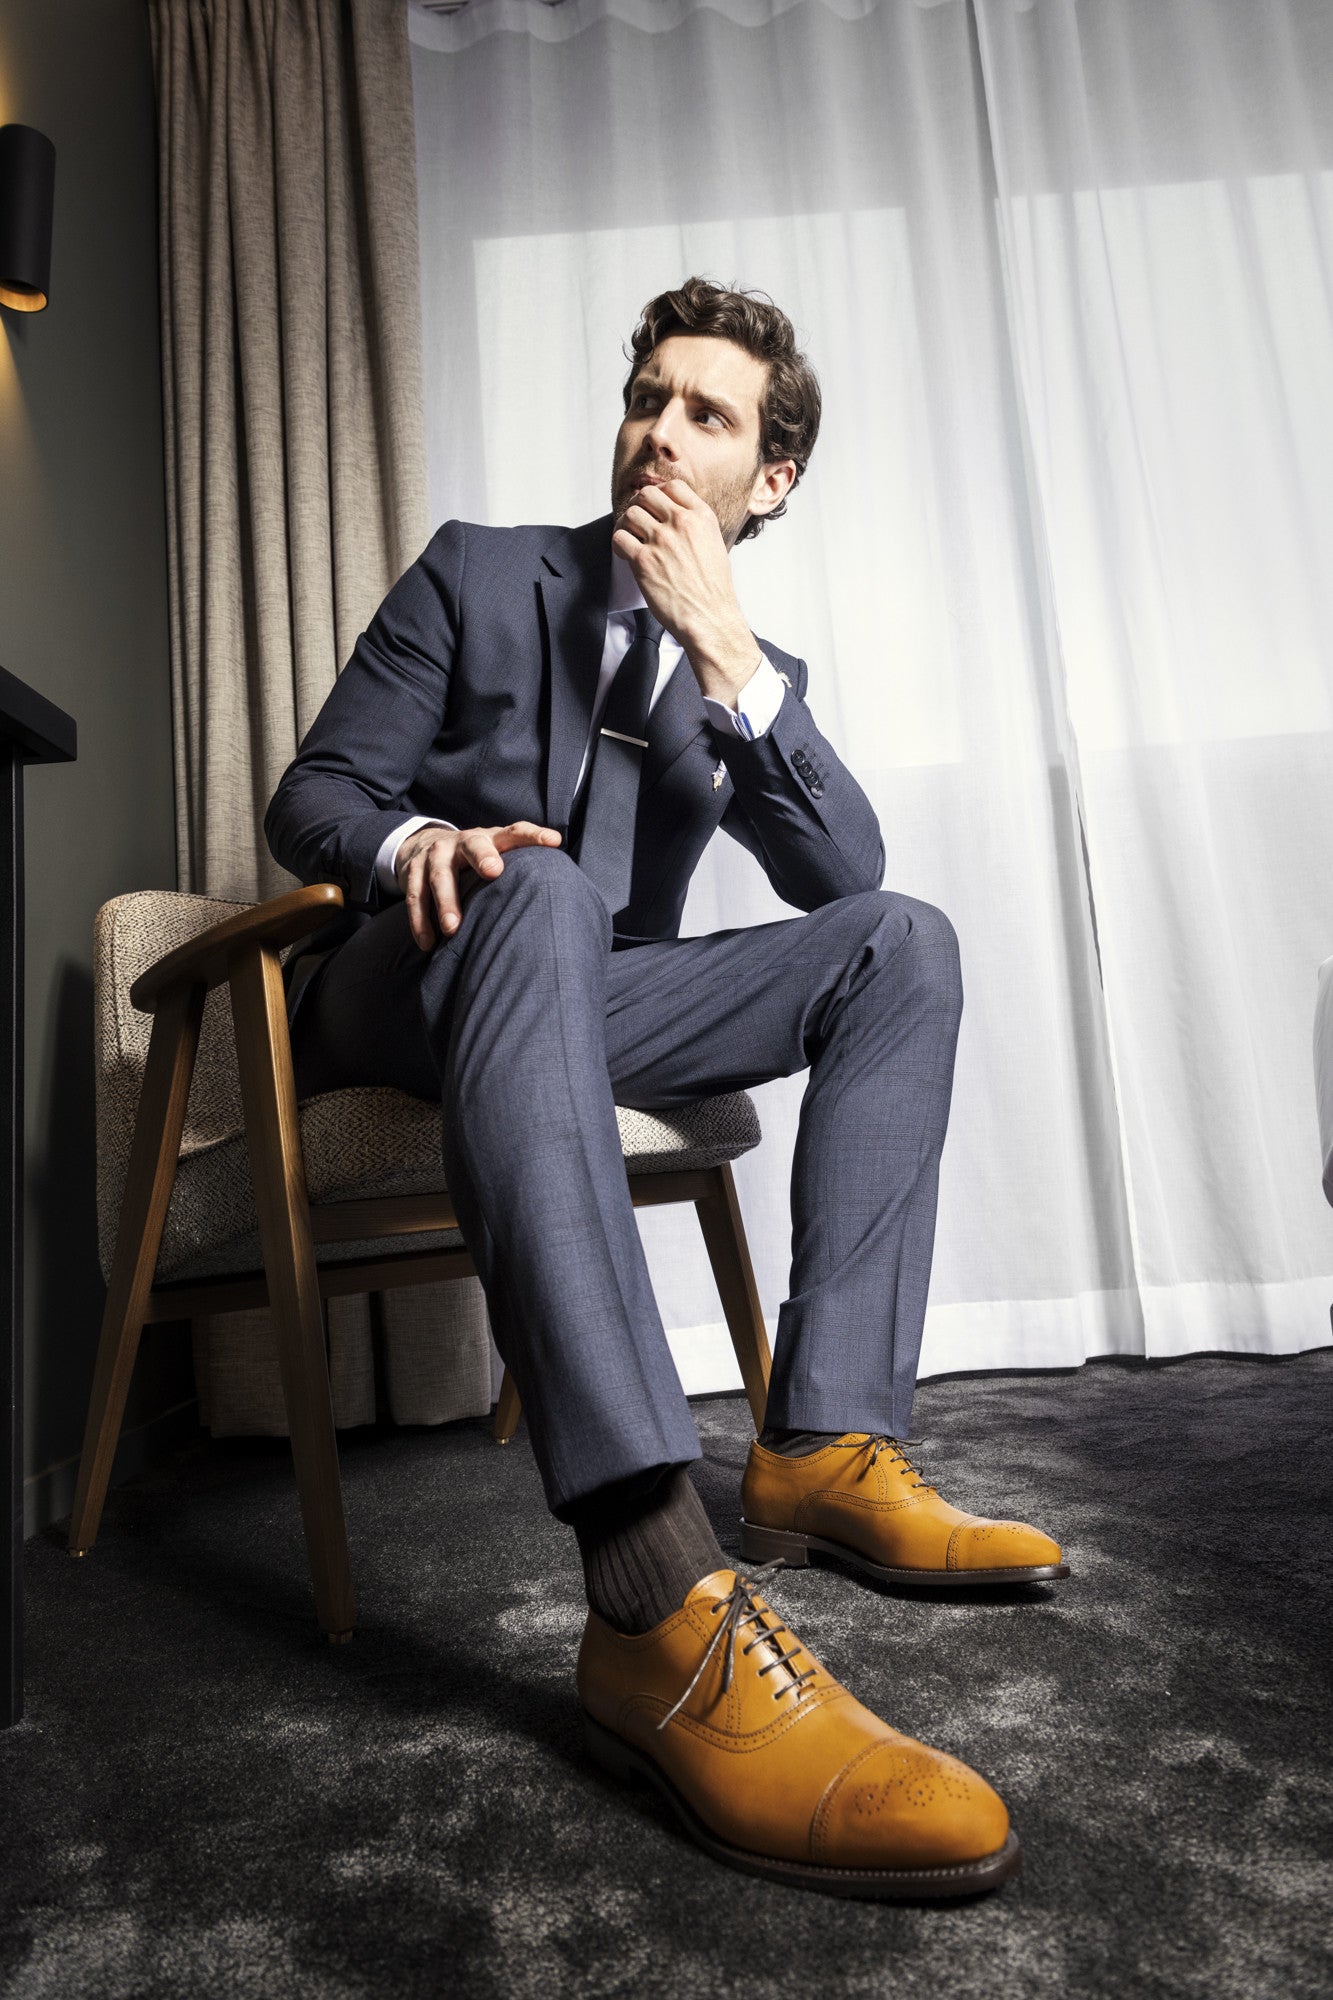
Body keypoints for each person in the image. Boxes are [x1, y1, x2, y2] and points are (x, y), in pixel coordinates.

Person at [266, 277, 1066, 1901]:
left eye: (706, 414)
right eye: (647, 397)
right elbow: (317, 792)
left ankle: (823, 1449)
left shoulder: (742, 666)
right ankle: (648, 1583)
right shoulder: (482, 571)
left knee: (899, 943)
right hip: (416, 967)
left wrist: (723, 650)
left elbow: (842, 871)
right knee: (541, 888)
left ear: (767, 481)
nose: (658, 430)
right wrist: (422, 842)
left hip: (588, 993)